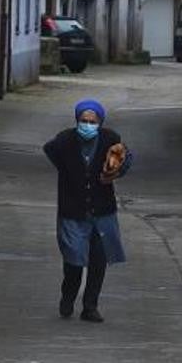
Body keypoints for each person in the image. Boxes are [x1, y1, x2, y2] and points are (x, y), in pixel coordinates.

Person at [43, 99, 133, 323]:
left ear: (100, 122)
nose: (87, 125)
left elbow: (126, 158)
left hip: (102, 211)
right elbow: (50, 151)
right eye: (83, 121)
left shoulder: (110, 139)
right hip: (73, 210)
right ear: (77, 121)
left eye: (92, 122)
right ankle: (68, 295)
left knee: (98, 260)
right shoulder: (63, 141)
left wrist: (116, 172)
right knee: (73, 258)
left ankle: (90, 306)